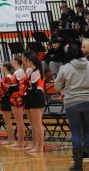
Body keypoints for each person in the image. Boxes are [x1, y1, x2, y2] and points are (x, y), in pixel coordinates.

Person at [55, 42, 89, 171]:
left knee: (75, 133)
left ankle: (78, 166)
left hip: (71, 102)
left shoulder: (65, 67)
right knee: (88, 131)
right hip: (88, 101)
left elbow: (58, 86)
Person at [25, 52, 45, 153]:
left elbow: (33, 90)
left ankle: (39, 147)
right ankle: (37, 145)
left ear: (31, 62)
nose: (27, 62)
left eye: (28, 61)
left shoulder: (35, 73)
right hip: (37, 98)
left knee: (37, 124)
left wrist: (24, 90)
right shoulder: (37, 71)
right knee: (37, 124)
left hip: (36, 98)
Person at [10, 54, 26, 147]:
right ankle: (20, 140)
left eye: (12, 59)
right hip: (15, 98)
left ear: (15, 61)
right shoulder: (18, 71)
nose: (12, 61)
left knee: (19, 120)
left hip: (17, 98)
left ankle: (21, 142)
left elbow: (20, 86)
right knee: (18, 120)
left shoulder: (19, 71)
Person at [0, 62, 14, 145]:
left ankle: (10, 140)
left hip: (6, 100)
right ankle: (10, 139)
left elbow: (6, 90)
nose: (1, 68)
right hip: (8, 100)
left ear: (5, 67)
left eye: (2, 66)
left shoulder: (7, 78)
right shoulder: (10, 76)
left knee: (8, 121)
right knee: (8, 121)